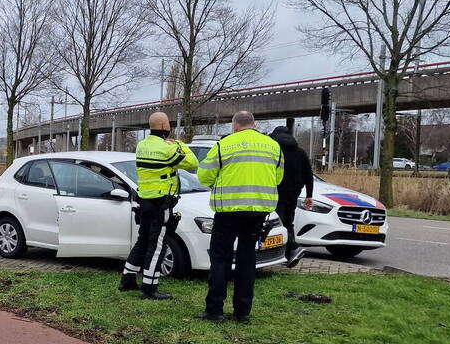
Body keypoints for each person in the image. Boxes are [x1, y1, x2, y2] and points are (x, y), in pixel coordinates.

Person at [197, 111, 283, 323]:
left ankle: (215, 310)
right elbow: (278, 177)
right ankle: (242, 312)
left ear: (235, 126)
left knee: (220, 259)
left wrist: (218, 184)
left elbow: (203, 175)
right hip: (258, 212)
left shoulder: (224, 145)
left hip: (228, 212)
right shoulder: (273, 146)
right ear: (253, 125)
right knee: (247, 259)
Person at [119, 112, 198, 300]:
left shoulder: (141, 145)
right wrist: (178, 143)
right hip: (161, 203)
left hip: (144, 201)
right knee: (157, 245)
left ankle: (127, 279)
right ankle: (149, 288)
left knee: (143, 240)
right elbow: (193, 163)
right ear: (165, 127)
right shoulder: (167, 149)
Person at [269, 125, 314, 268]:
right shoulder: (300, 152)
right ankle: (289, 255)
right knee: (288, 222)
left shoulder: (274, 150)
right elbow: (309, 175)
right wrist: (309, 195)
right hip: (294, 193)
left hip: (277, 192)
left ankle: (293, 247)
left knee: (279, 223)